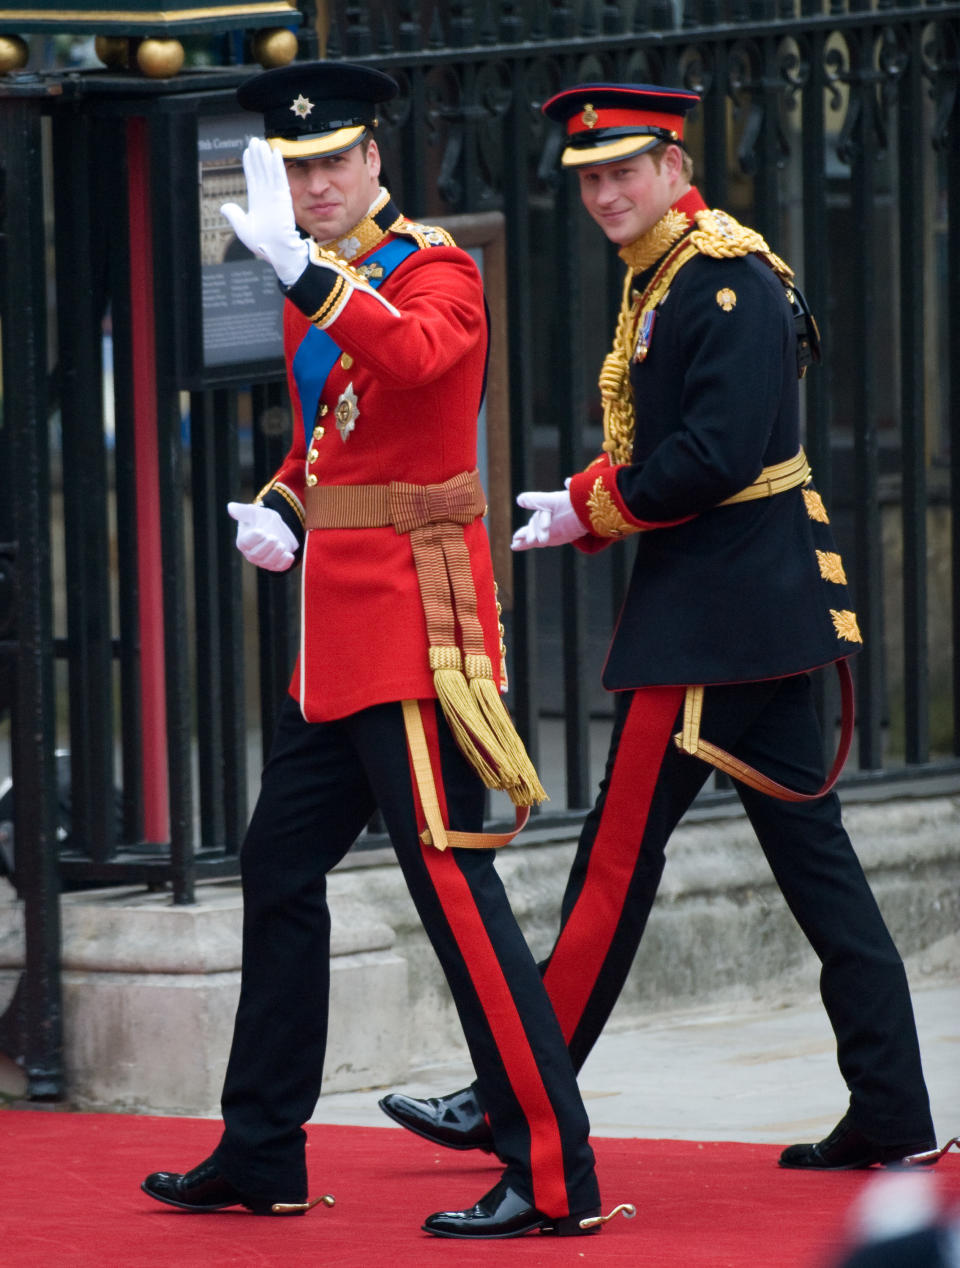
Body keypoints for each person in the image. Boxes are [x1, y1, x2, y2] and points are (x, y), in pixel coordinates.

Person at [379, 82, 940, 1172]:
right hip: (753, 610)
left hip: (716, 621)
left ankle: (511, 1096)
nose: (604, 192)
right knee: (816, 865)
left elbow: (715, 456)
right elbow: (687, 444)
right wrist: (589, 499)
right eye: (588, 178)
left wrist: (592, 502)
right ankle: (895, 1109)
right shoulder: (674, 277)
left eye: (623, 171)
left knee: (612, 864)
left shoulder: (718, 283)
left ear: (677, 169)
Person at [140, 61, 632, 1241]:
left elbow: (417, 362)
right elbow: (330, 445)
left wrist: (304, 271)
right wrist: (280, 509)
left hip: (417, 633)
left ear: (375, 163)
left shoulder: (438, 267)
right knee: (274, 865)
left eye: (330, 163)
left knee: (455, 892)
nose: (312, 184)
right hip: (335, 642)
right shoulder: (324, 281)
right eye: (297, 169)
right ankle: (261, 1147)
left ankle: (552, 1173)